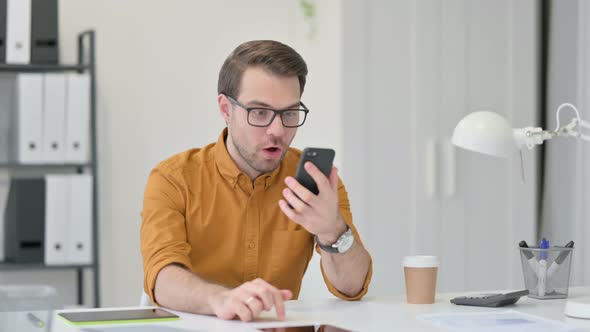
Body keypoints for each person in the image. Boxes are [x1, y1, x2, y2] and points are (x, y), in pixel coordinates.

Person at [140, 40, 372, 322]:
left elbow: (352, 287)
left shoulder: (316, 183)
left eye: (289, 113)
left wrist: (332, 230)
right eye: (259, 112)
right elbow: (162, 279)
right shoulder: (173, 179)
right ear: (226, 109)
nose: (277, 130)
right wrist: (221, 299)